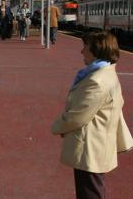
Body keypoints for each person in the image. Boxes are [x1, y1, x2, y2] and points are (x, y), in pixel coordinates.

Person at [51, 31, 133, 199]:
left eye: (85, 47)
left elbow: (79, 115)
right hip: (97, 142)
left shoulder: (97, 80)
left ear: (96, 50)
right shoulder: (106, 73)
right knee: (91, 188)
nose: (82, 52)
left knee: (90, 192)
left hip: (90, 146)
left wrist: (58, 127)